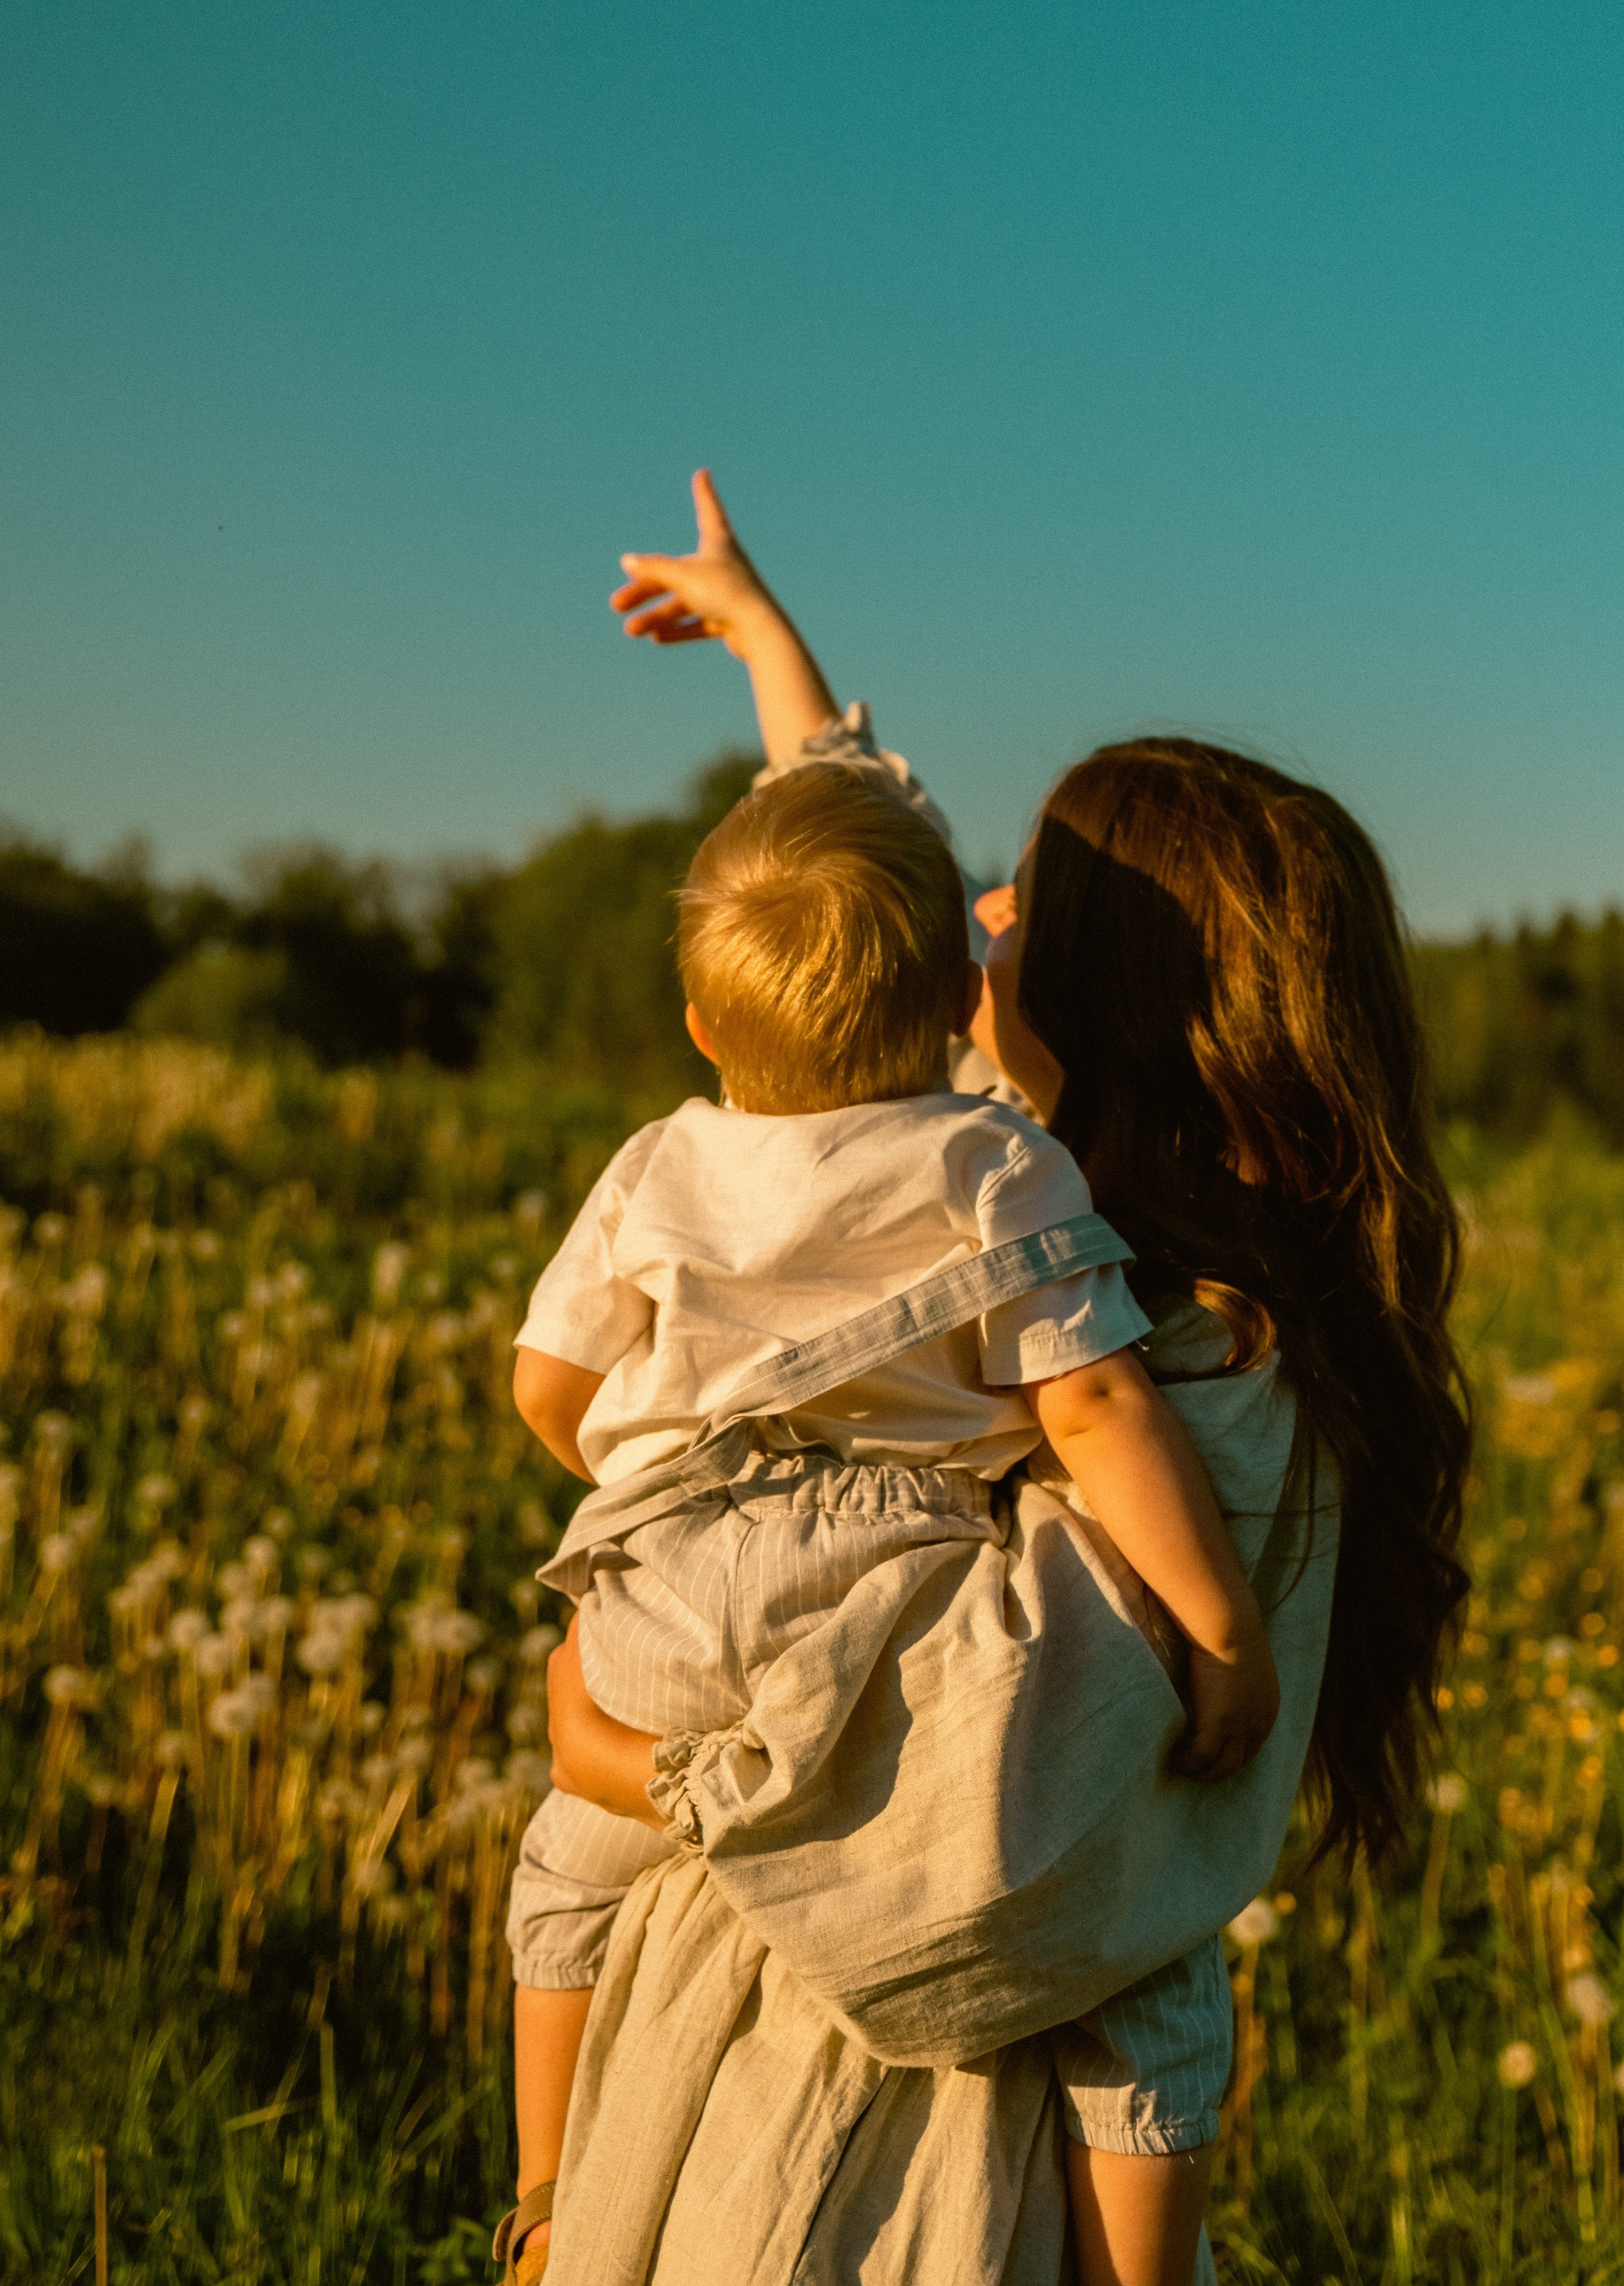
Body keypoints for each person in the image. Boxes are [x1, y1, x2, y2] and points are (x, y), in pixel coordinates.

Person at [527, 472, 1472, 2286]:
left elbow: (967, 1822)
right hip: (727, 2058)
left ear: (1121, 1001)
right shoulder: (990, 1208)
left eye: (1017, 905)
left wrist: (622, 1749)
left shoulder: (1200, 1376)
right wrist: (759, 638)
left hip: (906, 2159)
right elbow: (844, 871)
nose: (969, 920)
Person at [497, 750, 1282, 2286]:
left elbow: (544, 1381)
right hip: (895, 1590)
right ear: (950, 1014)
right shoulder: (995, 1158)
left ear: (703, 1026)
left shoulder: (660, 1159)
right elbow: (1099, 1409)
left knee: (570, 1859)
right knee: (1136, 1953)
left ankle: (539, 2191)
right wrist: (1225, 1631)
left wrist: (649, 1502)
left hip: (668, 1580)